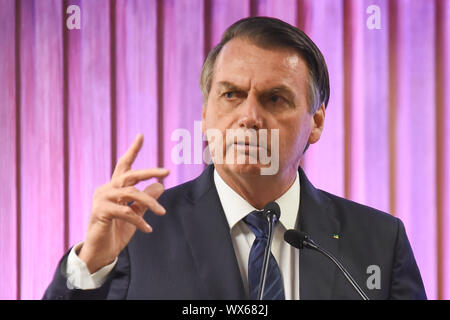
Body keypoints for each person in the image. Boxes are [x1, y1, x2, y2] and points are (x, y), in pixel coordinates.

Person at [43, 16, 426, 300]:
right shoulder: (137, 233)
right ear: (206, 112)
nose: (249, 117)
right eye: (231, 95)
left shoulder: (379, 242)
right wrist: (90, 265)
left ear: (317, 122)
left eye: (275, 98)